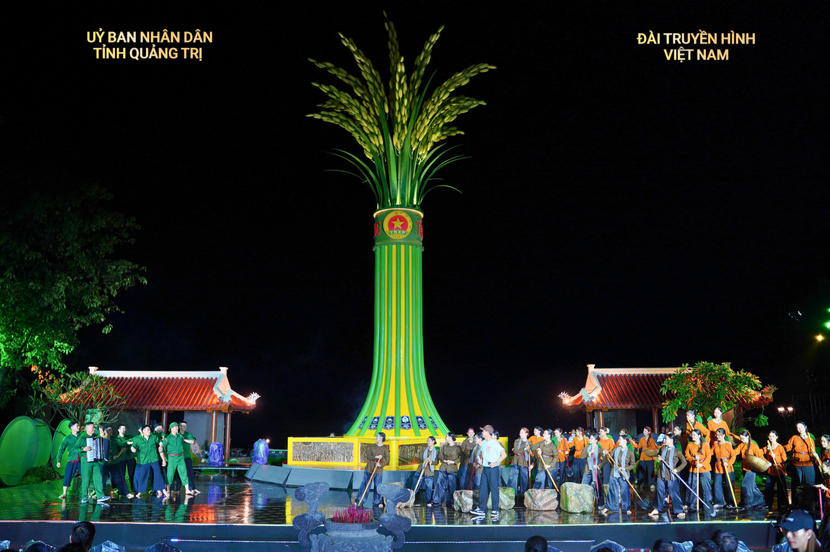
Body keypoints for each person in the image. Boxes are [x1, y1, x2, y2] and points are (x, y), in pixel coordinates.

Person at [470, 424, 506, 518]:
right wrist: (481, 461)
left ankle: (495, 509)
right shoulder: (484, 443)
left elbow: (504, 454)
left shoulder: (495, 443)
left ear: (487, 432)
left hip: (493, 468)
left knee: (494, 488)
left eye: (483, 431)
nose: (482, 432)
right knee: (483, 488)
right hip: (485, 468)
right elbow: (483, 453)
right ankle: (481, 509)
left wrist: (496, 462)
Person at [649, 432, 687, 518]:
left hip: (671, 475)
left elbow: (684, 462)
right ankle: (657, 508)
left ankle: (679, 510)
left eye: (666, 438)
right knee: (659, 491)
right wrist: (659, 457)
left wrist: (677, 469)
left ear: (671, 440)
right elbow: (658, 455)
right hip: (661, 474)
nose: (664, 440)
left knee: (674, 493)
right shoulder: (663, 448)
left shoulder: (677, 451)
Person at [129, 424, 168, 498]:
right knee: (143, 476)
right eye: (147, 430)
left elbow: (160, 441)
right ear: (143, 431)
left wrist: (160, 446)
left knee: (158, 474)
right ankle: (140, 492)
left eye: (149, 430)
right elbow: (132, 447)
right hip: (144, 460)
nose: (149, 431)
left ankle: (163, 490)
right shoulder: (138, 440)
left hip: (154, 459)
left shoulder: (153, 437)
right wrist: (132, 449)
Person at [601, 434, 636, 516]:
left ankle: (626, 508)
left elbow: (633, 465)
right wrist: (605, 453)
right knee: (612, 490)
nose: (618, 441)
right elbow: (608, 456)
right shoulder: (616, 449)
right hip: (614, 473)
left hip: (624, 474)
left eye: (620, 439)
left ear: (625, 441)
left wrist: (624, 468)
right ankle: (610, 507)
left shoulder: (630, 452)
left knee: (625, 491)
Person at [734, 430, 766, 509]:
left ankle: (748, 502)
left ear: (748, 437)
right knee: (752, 486)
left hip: (751, 469)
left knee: (746, 485)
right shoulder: (741, 445)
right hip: (744, 468)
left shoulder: (753, 445)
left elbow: (760, 455)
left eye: (743, 438)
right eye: (741, 438)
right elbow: (735, 452)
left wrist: (766, 463)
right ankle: (761, 501)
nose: (742, 440)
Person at [356, 432, 389, 508]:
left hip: (378, 470)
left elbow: (387, 459)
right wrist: (376, 457)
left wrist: (380, 464)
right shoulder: (372, 446)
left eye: (377, 436)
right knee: (365, 485)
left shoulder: (385, 449)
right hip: (369, 468)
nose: (376, 437)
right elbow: (368, 456)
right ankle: (360, 500)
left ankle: (377, 502)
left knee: (377, 486)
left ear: (381, 438)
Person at [78, 422, 108, 504]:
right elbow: (74, 449)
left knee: (98, 477)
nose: (94, 429)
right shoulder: (82, 438)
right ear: (87, 429)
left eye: (94, 427)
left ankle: (100, 496)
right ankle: (84, 497)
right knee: (86, 479)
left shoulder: (95, 437)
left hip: (95, 460)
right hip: (86, 460)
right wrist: (83, 449)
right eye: (92, 428)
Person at [685, 428, 713, 512]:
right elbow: (687, 455)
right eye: (692, 435)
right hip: (694, 468)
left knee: (706, 486)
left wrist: (702, 464)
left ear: (699, 436)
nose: (692, 436)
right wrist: (693, 460)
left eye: (694, 435)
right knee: (693, 486)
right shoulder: (689, 445)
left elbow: (708, 456)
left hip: (704, 468)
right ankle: (693, 504)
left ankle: (707, 503)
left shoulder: (705, 445)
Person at [162, 422, 194, 496]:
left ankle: (187, 489)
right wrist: (165, 459)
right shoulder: (167, 439)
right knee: (170, 474)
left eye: (177, 427)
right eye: (176, 427)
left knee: (183, 472)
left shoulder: (180, 437)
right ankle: (168, 489)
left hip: (181, 457)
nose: (177, 428)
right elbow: (162, 449)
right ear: (171, 428)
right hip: (172, 457)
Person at [786, 422, 819, 487]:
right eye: (798, 428)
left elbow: (812, 452)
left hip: (807, 463)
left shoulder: (810, 439)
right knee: (796, 483)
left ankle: (810, 493)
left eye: (801, 427)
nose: (800, 429)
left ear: (805, 427)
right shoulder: (794, 437)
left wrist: (816, 459)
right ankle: (796, 493)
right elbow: (788, 447)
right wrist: (780, 448)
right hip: (796, 463)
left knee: (810, 483)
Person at [432, 433, 460, 507]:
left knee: (451, 485)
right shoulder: (444, 447)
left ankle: (451, 502)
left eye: (447, 436)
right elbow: (440, 455)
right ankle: (437, 501)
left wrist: (453, 462)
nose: (445, 437)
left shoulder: (457, 448)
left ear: (451, 437)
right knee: (439, 484)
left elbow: (461, 457)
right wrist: (444, 460)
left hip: (452, 469)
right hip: (443, 467)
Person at [763, 430, 789, 510]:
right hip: (771, 470)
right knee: (768, 487)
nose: (771, 438)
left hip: (779, 469)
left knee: (781, 488)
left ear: (776, 437)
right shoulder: (768, 446)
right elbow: (760, 452)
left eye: (773, 436)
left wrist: (776, 457)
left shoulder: (780, 446)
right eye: (770, 436)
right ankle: (768, 504)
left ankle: (782, 505)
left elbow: (784, 458)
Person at [56, 421, 82, 499]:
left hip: (81, 459)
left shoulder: (81, 435)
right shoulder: (67, 438)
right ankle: (64, 493)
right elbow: (61, 449)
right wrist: (58, 460)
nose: (78, 427)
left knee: (85, 476)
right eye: (77, 426)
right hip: (72, 459)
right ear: (72, 428)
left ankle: (88, 493)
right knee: (68, 476)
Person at [712, 428, 737, 508]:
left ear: (723, 435)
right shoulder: (715, 443)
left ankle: (731, 502)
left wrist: (728, 463)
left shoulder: (727, 444)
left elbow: (733, 455)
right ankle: (719, 502)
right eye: (716, 435)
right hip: (718, 466)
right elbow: (710, 452)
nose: (717, 436)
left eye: (719, 435)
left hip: (727, 466)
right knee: (717, 485)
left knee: (729, 485)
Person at [173, 421, 200, 494]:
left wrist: (183, 439)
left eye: (185, 425)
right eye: (183, 425)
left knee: (189, 472)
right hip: (178, 457)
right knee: (178, 473)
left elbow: (192, 441)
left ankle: (192, 488)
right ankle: (177, 489)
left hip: (187, 456)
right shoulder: (176, 434)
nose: (185, 427)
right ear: (179, 427)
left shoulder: (188, 434)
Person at [105, 426, 130, 498]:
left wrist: (117, 455)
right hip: (104, 463)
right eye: (109, 430)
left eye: (111, 429)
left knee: (119, 477)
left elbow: (123, 447)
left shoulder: (115, 439)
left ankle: (125, 492)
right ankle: (98, 494)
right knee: (101, 478)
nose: (111, 431)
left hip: (114, 461)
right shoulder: (100, 438)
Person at [508, 428, 531, 496]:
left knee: (524, 480)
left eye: (522, 432)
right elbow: (516, 451)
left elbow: (532, 454)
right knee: (512, 479)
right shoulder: (517, 441)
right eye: (520, 432)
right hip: (515, 461)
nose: (520, 434)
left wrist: (529, 451)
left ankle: (523, 496)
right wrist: (525, 449)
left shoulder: (529, 444)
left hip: (524, 462)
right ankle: (513, 495)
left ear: (526, 434)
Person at [417, 436, 437, 504]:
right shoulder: (424, 450)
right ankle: (411, 499)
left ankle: (429, 502)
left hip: (429, 471)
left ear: (433, 441)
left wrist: (431, 461)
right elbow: (419, 457)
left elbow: (436, 461)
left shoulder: (436, 452)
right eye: (427, 441)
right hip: (421, 470)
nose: (428, 442)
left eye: (429, 441)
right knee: (416, 485)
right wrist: (424, 459)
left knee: (429, 488)